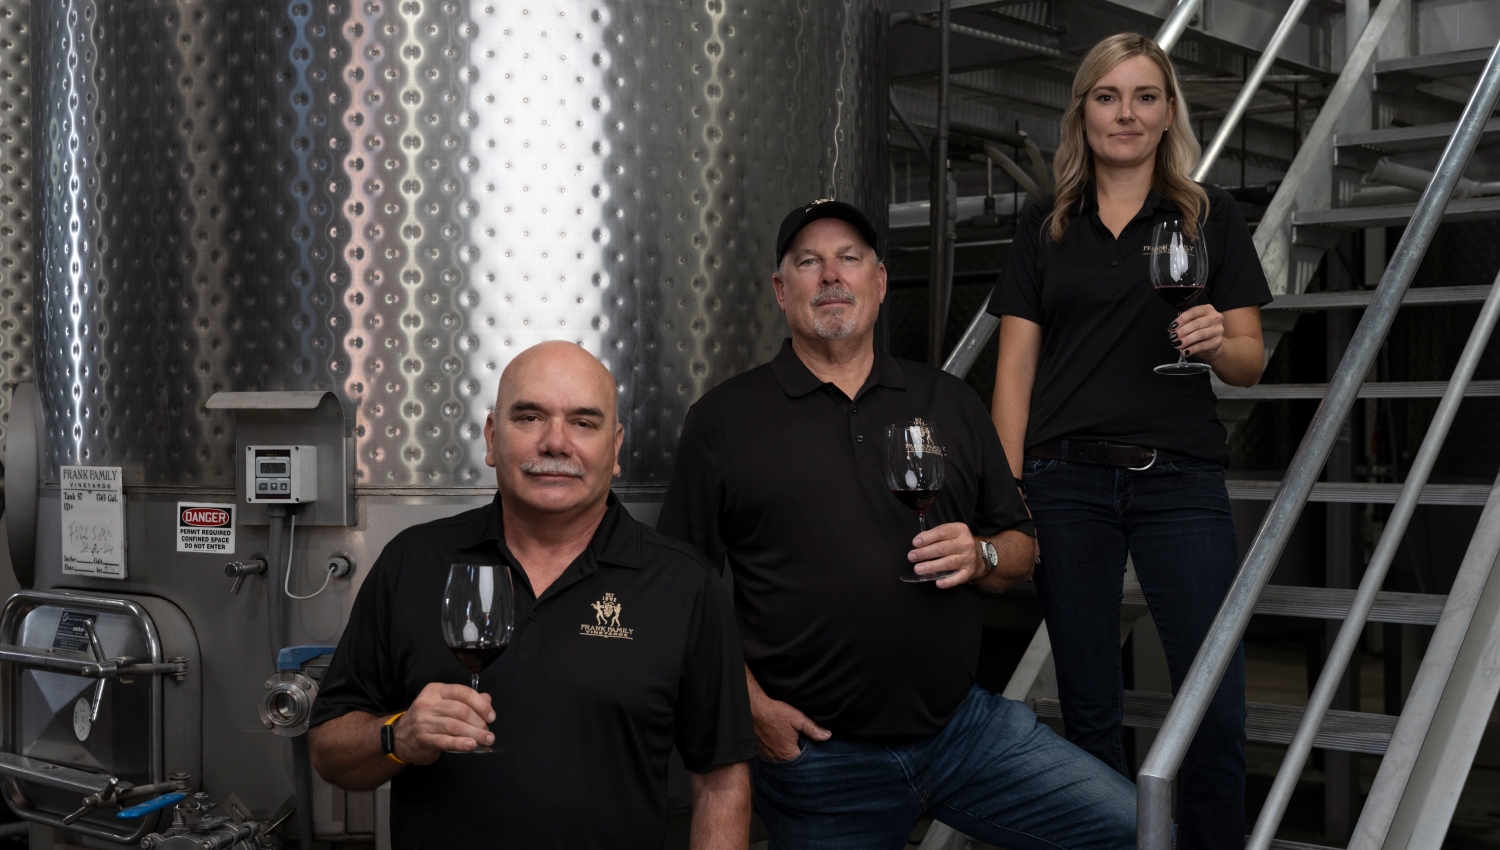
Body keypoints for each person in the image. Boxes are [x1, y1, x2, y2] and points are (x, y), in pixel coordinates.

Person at [659, 199, 1138, 849]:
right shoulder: (724, 421)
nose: (832, 275)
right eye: (809, 263)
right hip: (822, 762)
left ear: (879, 283)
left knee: (1137, 826)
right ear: (781, 290)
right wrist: (751, 708)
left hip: (965, 732)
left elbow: (1024, 544)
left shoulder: (949, 401)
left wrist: (983, 556)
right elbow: (675, 589)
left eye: (849, 259)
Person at [989, 32, 1271, 849]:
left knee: (1214, 701)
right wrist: (1008, 500)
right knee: (1088, 708)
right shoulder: (1046, 223)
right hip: (1064, 482)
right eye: (1108, 96)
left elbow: (1251, 361)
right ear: (1083, 111)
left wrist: (1221, 340)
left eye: (1145, 96)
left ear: (1169, 111)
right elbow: (1013, 373)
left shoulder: (1208, 215)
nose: (1126, 113)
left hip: (1178, 482)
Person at [308, 341, 758, 849]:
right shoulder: (413, 562)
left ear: (615, 450)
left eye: (583, 423)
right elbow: (328, 751)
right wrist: (398, 737)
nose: (555, 443)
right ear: (492, 437)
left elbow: (721, 783)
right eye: (529, 418)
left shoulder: (685, 585)